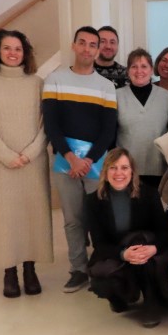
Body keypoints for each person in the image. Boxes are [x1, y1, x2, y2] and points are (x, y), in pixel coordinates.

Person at [0, 29, 53, 298]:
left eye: (17, 48)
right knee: (6, 219)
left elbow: (46, 124)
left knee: (33, 216)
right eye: (7, 48)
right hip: (0, 165)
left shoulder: (37, 83)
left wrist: (29, 153)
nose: (12, 53)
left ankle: (30, 269)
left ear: (25, 52)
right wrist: (7, 155)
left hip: (33, 162)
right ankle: (9, 272)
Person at [43, 25, 117, 291]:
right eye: (82, 43)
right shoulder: (55, 80)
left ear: (98, 50)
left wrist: (88, 160)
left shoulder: (106, 87)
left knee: (99, 216)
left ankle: (100, 266)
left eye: (92, 45)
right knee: (73, 219)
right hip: (64, 162)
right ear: (74, 46)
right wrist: (71, 158)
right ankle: (78, 269)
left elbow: (109, 129)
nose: (87, 49)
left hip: (97, 163)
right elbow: (51, 124)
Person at [84, 148, 168, 328]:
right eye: (113, 168)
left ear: (132, 171)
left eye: (124, 168)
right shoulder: (93, 201)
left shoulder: (149, 194)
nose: (119, 173)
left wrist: (153, 249)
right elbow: (99, 243)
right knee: (101, 284)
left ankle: (151, 301)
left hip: (148, 252)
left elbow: (164, 232)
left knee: (138, 241)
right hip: (117, 254)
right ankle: (123, 296)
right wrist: (123, 254)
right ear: (105, 172)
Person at [115, 48, 168, 189]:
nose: (139, 71)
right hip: (125, 170)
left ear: (151, 70)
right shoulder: (116, 96)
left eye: (144, 66)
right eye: (134, 67)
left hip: (159, 170)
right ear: (128, 71)